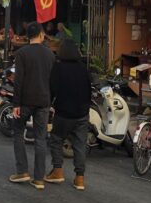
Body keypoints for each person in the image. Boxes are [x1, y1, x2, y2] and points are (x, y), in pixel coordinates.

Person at [9, 21, 55, 190]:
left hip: (26, 101)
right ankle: (39, 179)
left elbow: (18, 81)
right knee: (40, 138)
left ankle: (22, 171)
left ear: (27, 36)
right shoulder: (50, 55)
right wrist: (51, 100)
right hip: (43, 102)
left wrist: (16, 103)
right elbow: (53, 81)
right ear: (42, 35)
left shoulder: (22, 53)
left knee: (18, 132)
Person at [46, 39, 92, 191]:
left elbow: (52, 89)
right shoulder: (83, 69)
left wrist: (50, 104)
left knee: (56, 139)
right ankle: (80, 178)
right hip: (82, 113)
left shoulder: (58, 68)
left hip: (64, 112)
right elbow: (89, 90)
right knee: (79, 145)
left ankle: (57, 171)